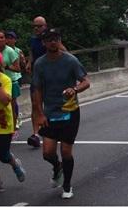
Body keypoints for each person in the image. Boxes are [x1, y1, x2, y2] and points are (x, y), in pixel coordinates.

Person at [32, 28, 90, 199]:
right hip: (50, 113)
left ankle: (67, 185)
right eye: (49, 39)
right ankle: (57, 166)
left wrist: (75, 89)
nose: (53, 42)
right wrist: (40, 114)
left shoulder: (71, 60)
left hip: (70, 112)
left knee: (66, 151)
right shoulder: (40, 64)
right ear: (44, 43)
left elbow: (86, 81)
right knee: (47, 153)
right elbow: (37, 90)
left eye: (56, 38)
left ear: (60, 40)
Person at [26, 16, 66, 148]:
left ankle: (56, 129)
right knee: (35, 104)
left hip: (51, 78)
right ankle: (36, 134)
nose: (36, 29)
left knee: (52, 103)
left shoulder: (51, 39)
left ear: (45, 26)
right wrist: (29, 62)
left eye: (39, 26)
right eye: (34, 26)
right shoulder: (33, 40)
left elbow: (64, 52)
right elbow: (32, 51)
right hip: (37, 76)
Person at [0, 52, 26, 192]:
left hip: (3, 122)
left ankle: (15, 164)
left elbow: (5, 100)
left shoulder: (5, 80)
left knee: (3, 155)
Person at [0, 31, 21, 130]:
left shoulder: (10, 51)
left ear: (5, 40)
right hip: (0, 81)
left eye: (2, 37)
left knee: (10, 106)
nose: (0, 40)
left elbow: (18, 68)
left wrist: (6, 66)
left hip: (11, 81)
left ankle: (13, 126)